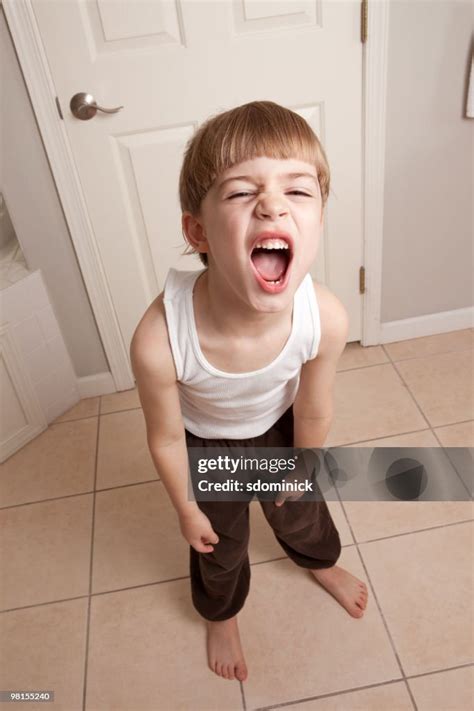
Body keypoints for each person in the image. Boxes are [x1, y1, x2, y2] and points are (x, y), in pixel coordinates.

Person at [130, 101, 368, 683]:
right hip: (206, 445)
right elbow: (163, 437)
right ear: (198, 231)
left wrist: (301, 464)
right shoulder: (160, 337)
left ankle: (320, 563)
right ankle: (222, 611)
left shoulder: (325, 317)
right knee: (220, 542)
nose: (271, 204)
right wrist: (185, 508)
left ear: (317, 220)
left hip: (282, 428)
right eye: (240, 193)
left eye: (298, 191)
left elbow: (314, 405)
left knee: (302, 512)